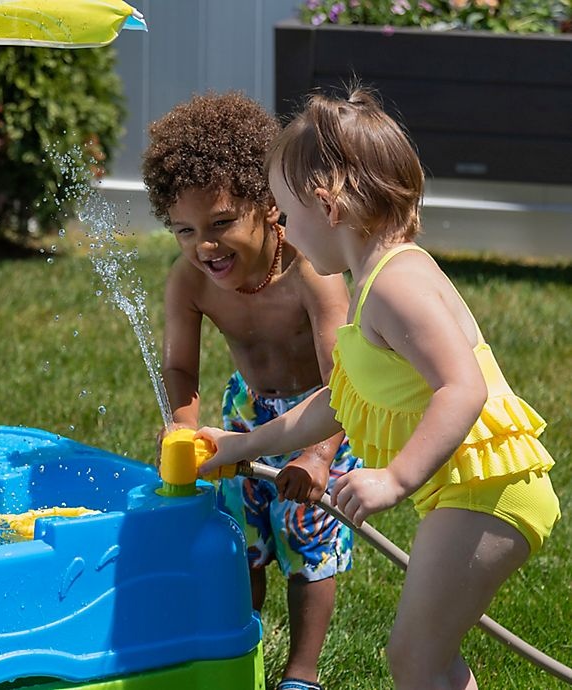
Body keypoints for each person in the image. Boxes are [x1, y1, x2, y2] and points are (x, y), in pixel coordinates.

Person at [197, 87, 561, 690]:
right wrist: (239, 446)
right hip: (470, 491)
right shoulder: (370, 285)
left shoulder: (398, 282)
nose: (282, 232)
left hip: (490, 491)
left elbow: (462, 387)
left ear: (328, 206)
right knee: (427, 658)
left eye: (286, 213)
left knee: (414, 659)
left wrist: (395, 478)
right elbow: (335, 402)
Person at [142, 91, 361, 690]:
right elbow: (181, 369)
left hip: (327, 412)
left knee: (305, 535)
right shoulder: (189, 281)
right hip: (248, 407)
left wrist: (316, 455)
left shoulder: (309, 270)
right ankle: (239, 645)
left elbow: (347, 380)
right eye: (185, 230)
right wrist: (184, 426)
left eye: (220, 224)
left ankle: (302, 673)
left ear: (268, 205)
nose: (203, 247)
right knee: (241, 534)